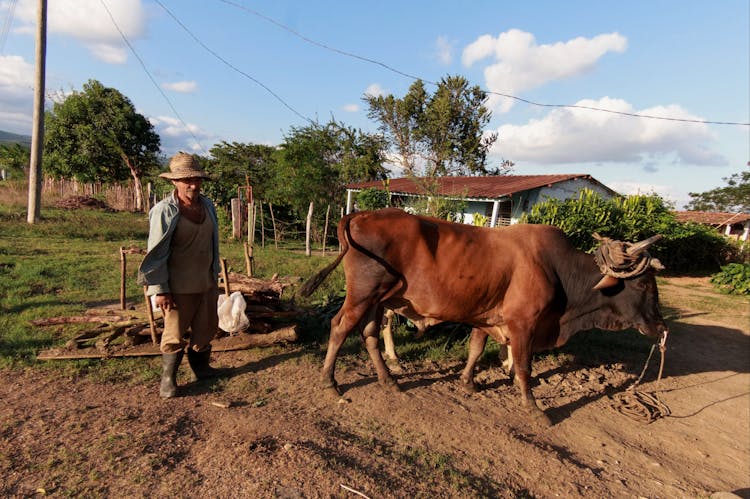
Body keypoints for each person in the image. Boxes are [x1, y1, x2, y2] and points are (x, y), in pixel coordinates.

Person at [138, 152, 223, 399]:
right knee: (174, 334)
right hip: (177, 287)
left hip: (206, 282)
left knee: (206, 329)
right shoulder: (164, 211)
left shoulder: (207, 206)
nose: (193, 185)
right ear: (174, 181)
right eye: (187, 180)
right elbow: (155, 253)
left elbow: (212, 243)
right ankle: (168, 379)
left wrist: (214, 277)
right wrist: (159, 289)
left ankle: (202, 369)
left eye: (197, 180)